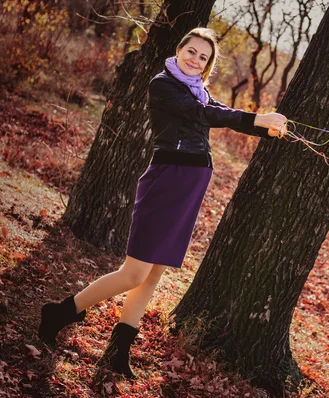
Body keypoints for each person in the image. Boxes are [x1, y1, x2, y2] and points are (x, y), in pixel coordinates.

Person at [37, 27, 287, 379]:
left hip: (190, 184)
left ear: (207, 65)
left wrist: (264, 128)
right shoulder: (164, 85)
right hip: (166, 181)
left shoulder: (198, 90)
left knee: (152, 275)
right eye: (192, 51)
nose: (195, 59)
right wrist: (255, 119)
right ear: (179, 49)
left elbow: (219, 110)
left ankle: (118, 350)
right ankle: (60, 313)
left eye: (203, 57)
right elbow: (204, 115)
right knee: (134, 272)